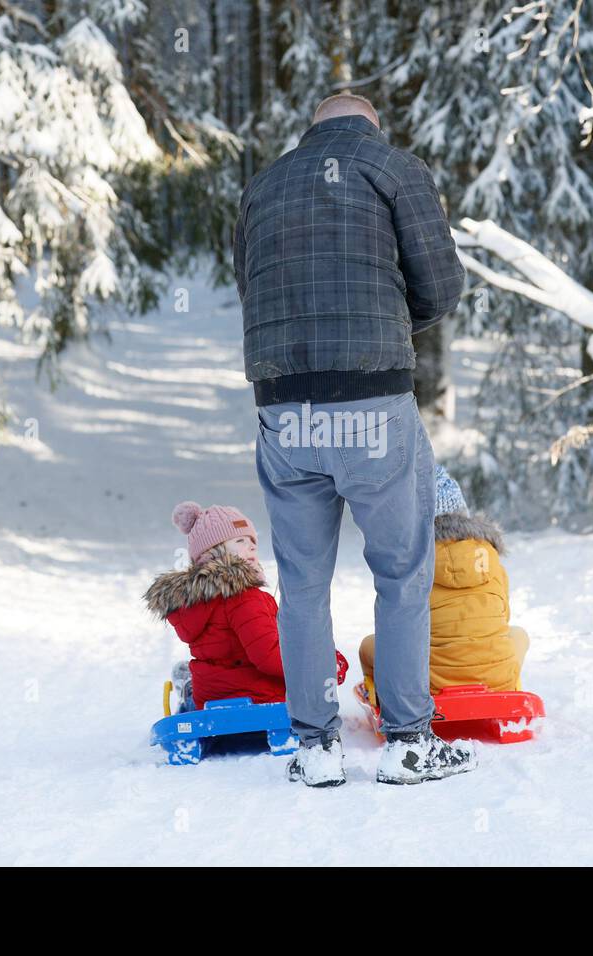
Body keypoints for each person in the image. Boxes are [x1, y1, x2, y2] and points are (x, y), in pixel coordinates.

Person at [233, 90, 473, 786]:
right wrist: (387, 324)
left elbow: (254, 291)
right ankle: (407, 741)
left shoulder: (262, 185)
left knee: (302, 581)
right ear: (373, 126)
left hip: (287, 410)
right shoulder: (395, 169)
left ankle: (313, 747)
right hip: (371, 403)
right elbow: (441, 286)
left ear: (311, 128)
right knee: (401, 572)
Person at [143, 501, 347, 711]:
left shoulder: (195, 603)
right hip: (262, 697)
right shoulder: (246, 598)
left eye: (253, 542)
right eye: (240, 540)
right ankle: (190, 687)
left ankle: (191, 689)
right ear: (211, 553)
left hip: (212, 698)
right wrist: (322, 668)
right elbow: (269, 655)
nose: (250, 546)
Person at [360, 465, 529, 696]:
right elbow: (503, 616)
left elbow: (398, 627)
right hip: (496, 677)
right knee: (519, 634)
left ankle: (383, 694)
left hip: (429, 683)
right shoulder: (489, 556)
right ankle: (508, 685)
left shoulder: (411, 561)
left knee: (369, 645)